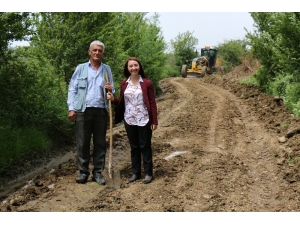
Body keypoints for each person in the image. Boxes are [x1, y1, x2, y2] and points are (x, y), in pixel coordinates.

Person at [67, 40, 114, 185]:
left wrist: (110, 92)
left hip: (100, 110)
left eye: (100, 50)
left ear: (103, 53)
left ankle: (98, 173)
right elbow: (72, 89)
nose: (97, 52)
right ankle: (83, 172)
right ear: (89, 52)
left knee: (100, 142)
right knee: (82, 142)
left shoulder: (107, 70)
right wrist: (71, 108)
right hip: (83, 110)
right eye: (94, 50)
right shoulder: (81, 68)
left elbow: (112, 90)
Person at [106, 57, 158, 184]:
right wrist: (113, 99)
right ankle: (136, 173)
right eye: (131, 66)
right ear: (127, 69)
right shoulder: (124, 84)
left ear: (139, 66)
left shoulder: (147, 83)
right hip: (129, 119)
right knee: (134, 147)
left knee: (145, 146)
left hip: (144, 119)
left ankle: (148, 173)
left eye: (135, 65)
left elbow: (152, 103)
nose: (133, 68)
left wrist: (154, 121)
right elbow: (122, 102)